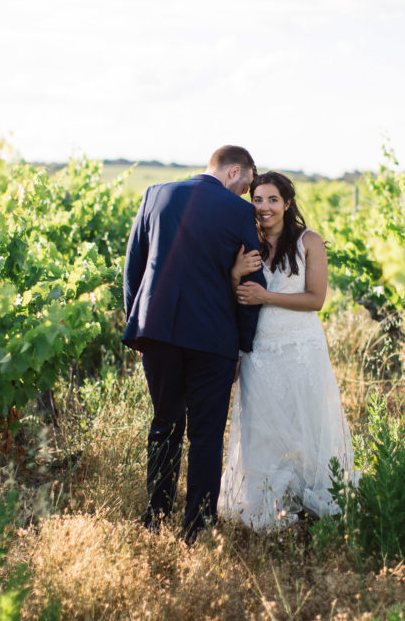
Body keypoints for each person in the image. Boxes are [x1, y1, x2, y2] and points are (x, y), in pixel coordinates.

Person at [122, 145, 267, 542]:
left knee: (164, 425)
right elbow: (253, 283)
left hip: (157, 332)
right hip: (213, 338)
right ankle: (197, 527)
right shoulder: (239, 212)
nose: (245, 193)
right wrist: (243, 344)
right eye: (247, 184)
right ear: (234, 171)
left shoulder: (155, 194)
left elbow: (133, 266)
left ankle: (155, 519)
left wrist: (137, 328)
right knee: (205, 434)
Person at [218, 171, 356, 531]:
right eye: (258, 199)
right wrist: (234, 275)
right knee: (260, 429)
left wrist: (266, 296)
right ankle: (263, 501)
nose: (264, 207)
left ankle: (319, 495)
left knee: (310, 423)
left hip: (300, 347)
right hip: (259, 350)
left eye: (272, 200)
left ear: (287, 203)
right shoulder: (246, 240)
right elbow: (232, 296)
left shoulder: (309, 241)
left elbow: (316, 299)